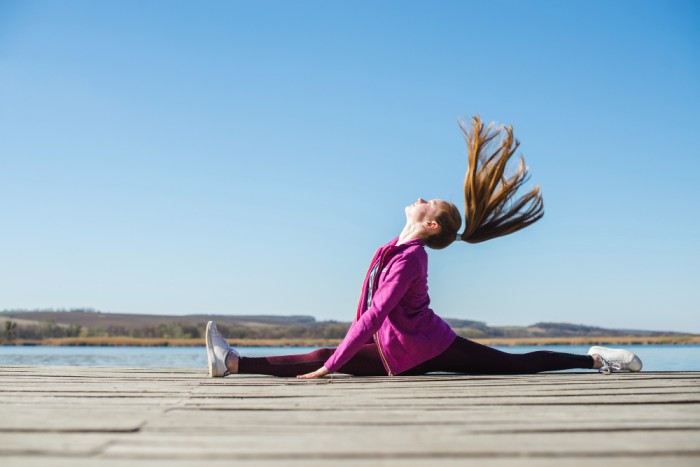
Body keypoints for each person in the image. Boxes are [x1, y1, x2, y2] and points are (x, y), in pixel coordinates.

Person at [205, 116, 643, 379]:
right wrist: (348, 354)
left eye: (427, 201)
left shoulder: (411, 258)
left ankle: (592, 359)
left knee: (514, 364)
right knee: (511, 363)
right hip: (409, 344)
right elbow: (370, 313)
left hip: (423, 347)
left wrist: (333, 364)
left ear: (430, 223)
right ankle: (234, 363)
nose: (419, 197)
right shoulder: (391, 247)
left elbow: (377, 312)